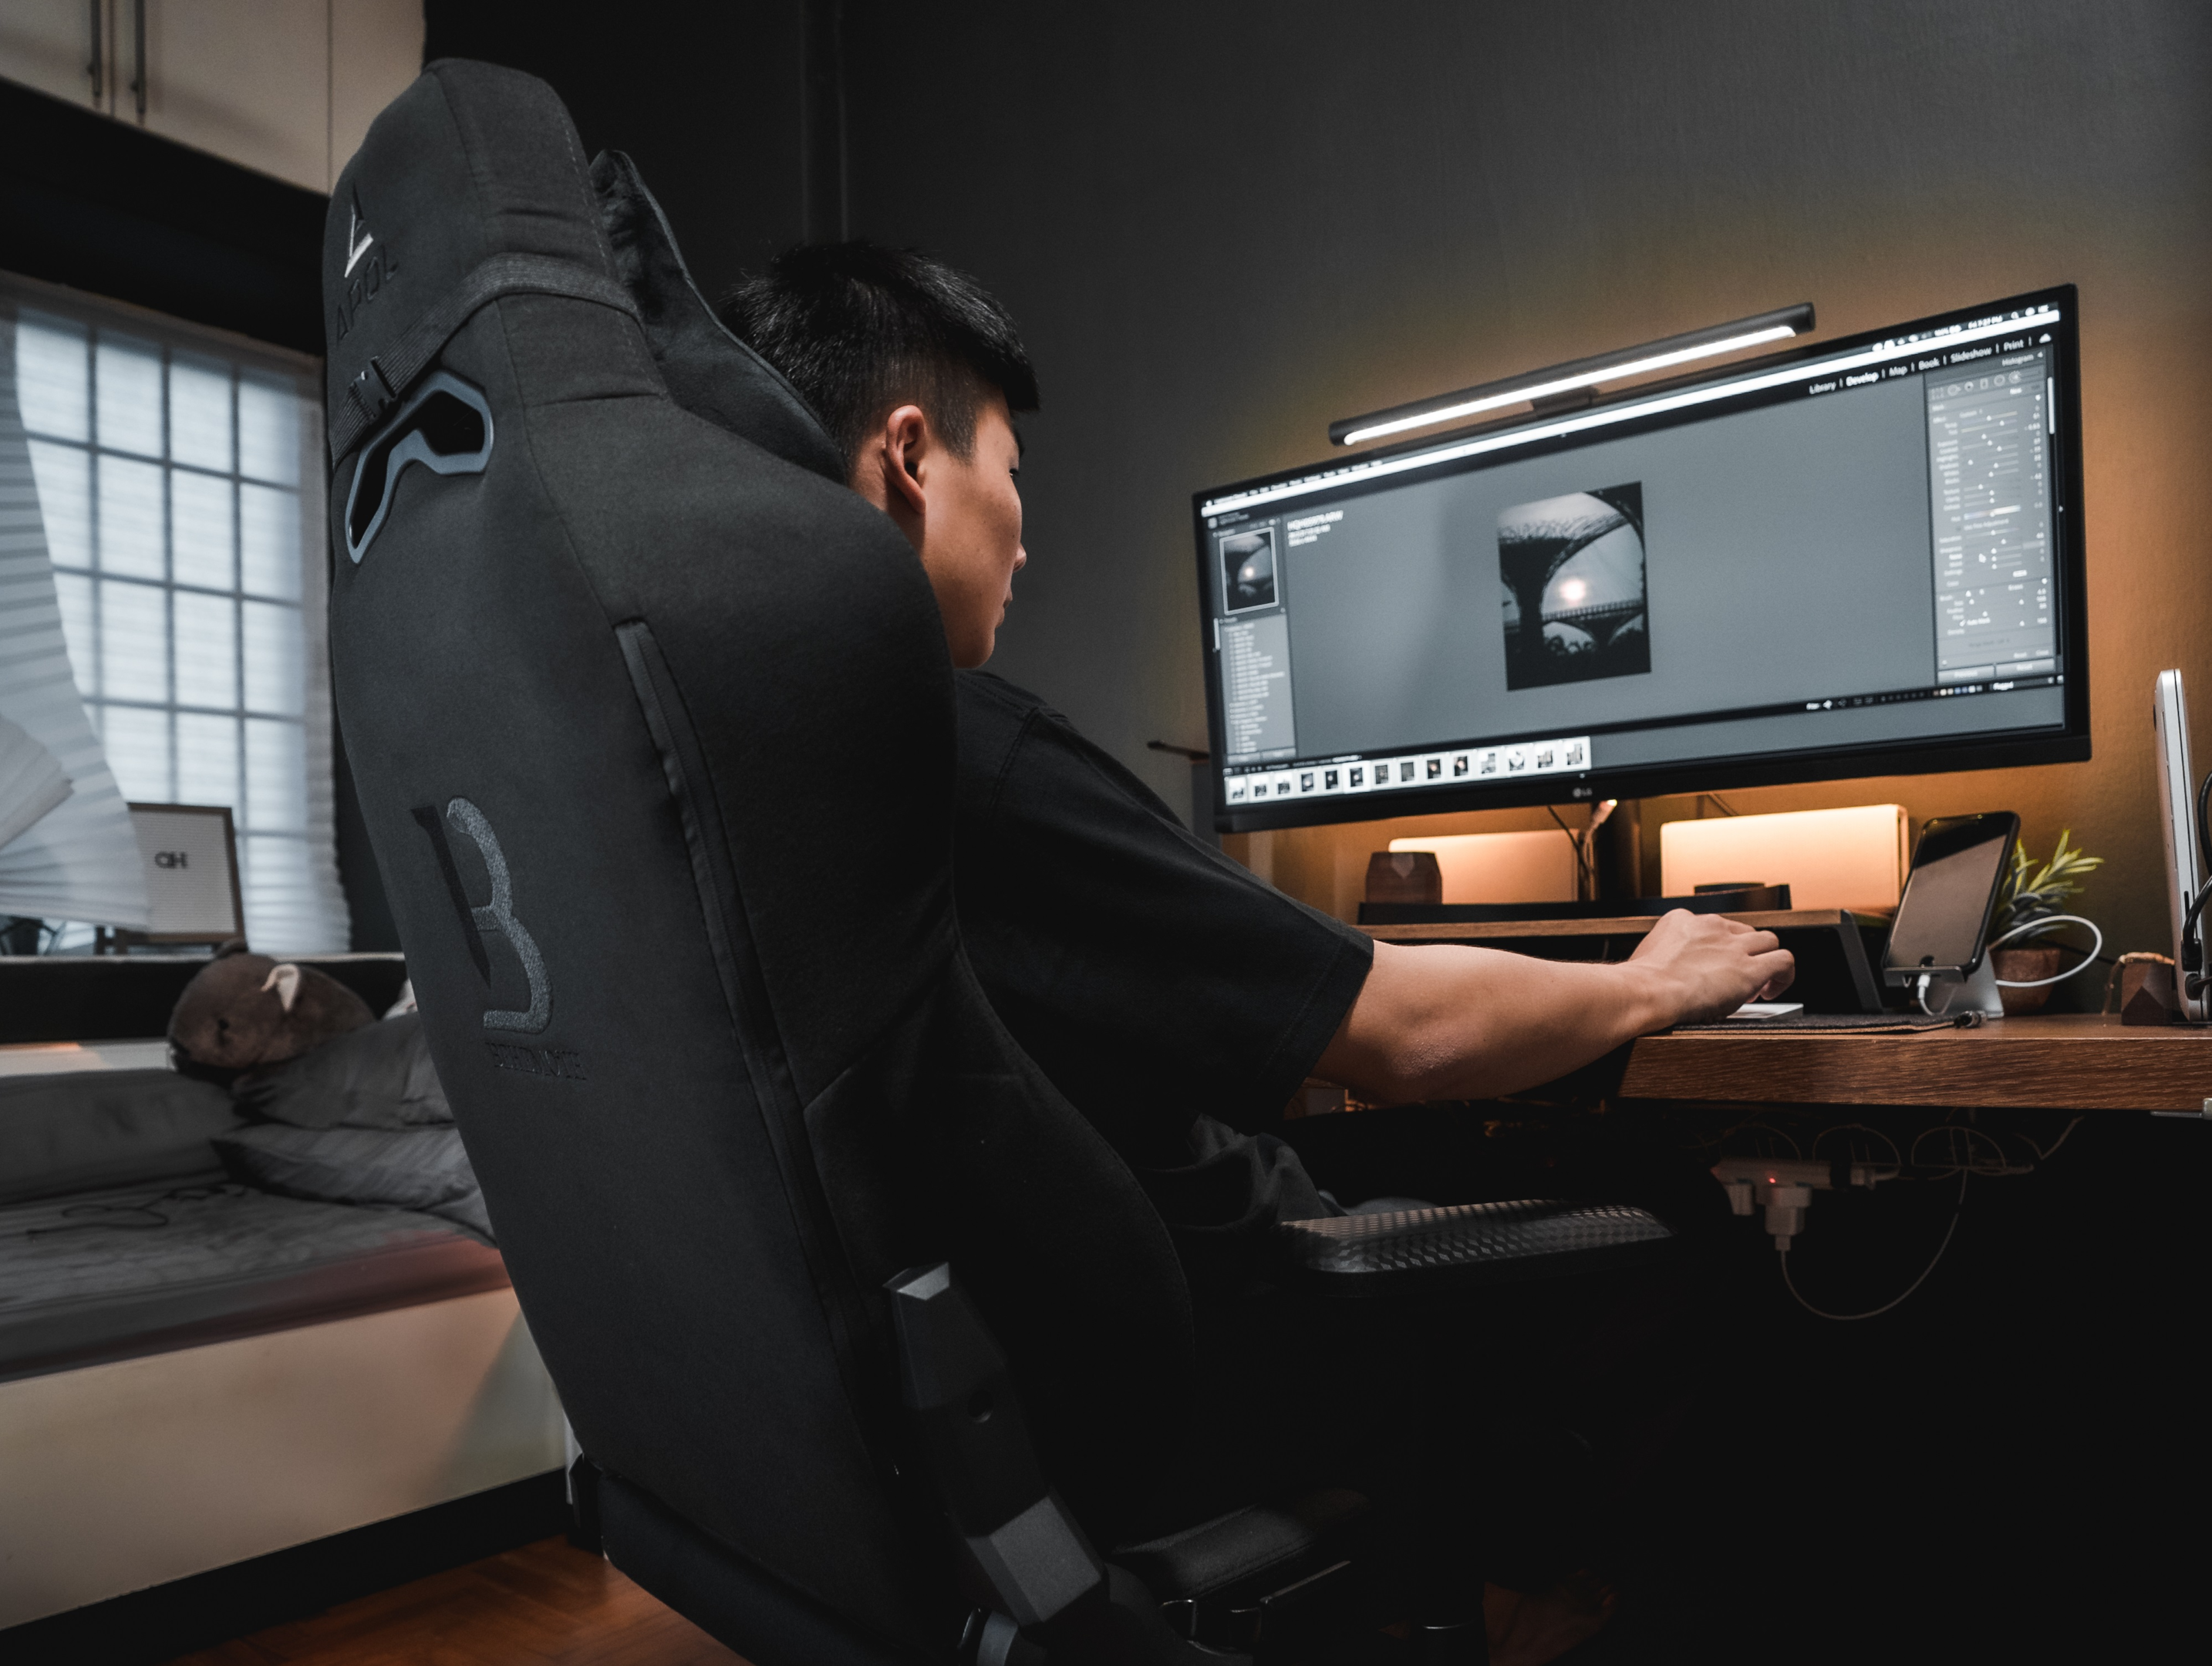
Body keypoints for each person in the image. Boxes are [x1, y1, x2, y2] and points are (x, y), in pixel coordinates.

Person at [717, 244, 1786, 1662]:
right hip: (1215, 1357)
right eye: (1015, 476)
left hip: (938, 1412)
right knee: (1679, 1214)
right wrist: (1654, 982)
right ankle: (1537, 1605)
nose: (1026, 537)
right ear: (910, 460)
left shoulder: (743, 752)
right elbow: (1405, 1034)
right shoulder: (963, 754)